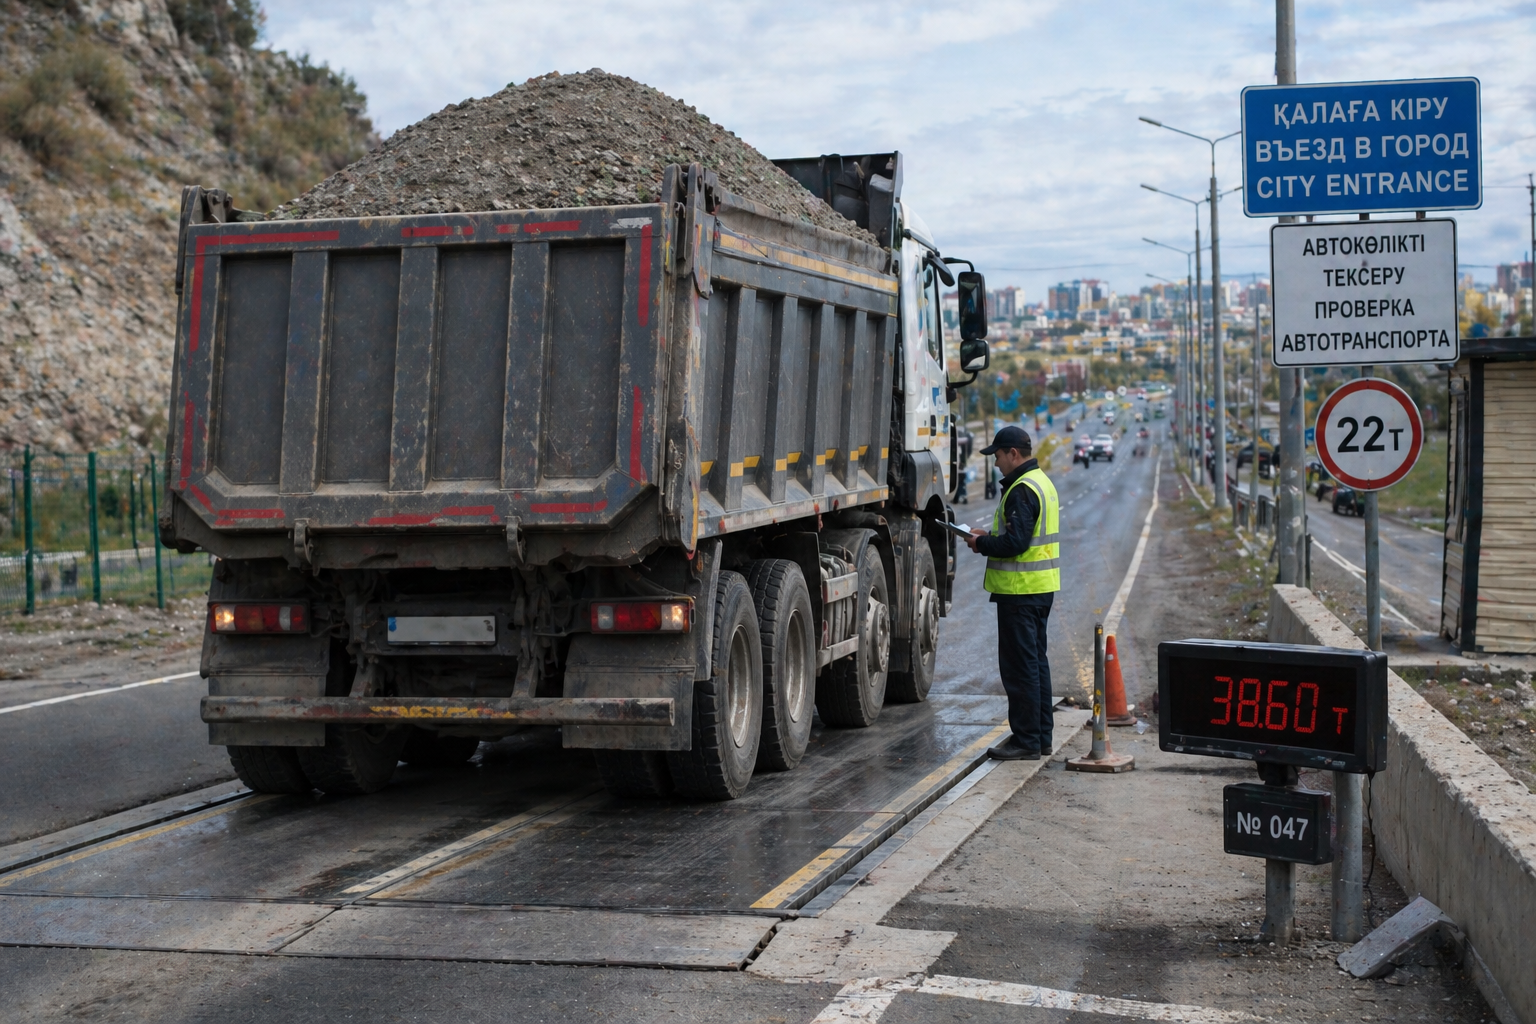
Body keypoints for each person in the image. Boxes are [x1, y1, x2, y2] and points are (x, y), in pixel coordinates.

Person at [963, 425, 1061, 760]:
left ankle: (1026, 742)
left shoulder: (1021, 489)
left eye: (999, 456)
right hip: (1039, 590)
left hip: (1021, 593)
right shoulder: (1041, 483)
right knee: (1036, 666)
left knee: (1021, 670)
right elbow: (1022, 534)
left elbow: (1016, 543)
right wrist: (986, 533)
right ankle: (1040, 737)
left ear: (1013, 454)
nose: (996, 464)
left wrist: (981, 543)